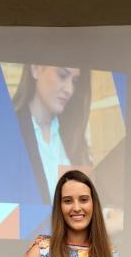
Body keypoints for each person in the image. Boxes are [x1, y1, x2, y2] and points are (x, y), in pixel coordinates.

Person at [12, 64, 91, 203]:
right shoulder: (8, 131)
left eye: (75, 81)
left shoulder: (74, 136)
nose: (69, 90)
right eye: (62, 75)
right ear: (36, 69)